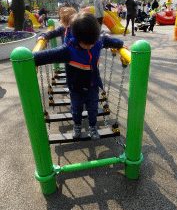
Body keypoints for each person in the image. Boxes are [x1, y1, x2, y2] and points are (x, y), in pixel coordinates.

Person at [34, 12, 124, 141]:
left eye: (92, 43)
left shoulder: (97, 41)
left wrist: (120, 44)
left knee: (93, 108)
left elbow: (109, 40)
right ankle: (77, 125)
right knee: (76, 109)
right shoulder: (68, 50)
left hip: (93, 85)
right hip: (76, 87)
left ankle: (92, 126)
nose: (90, 46)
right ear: (77, 38)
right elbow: (45, 56)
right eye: (86, 44)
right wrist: (28, 57)